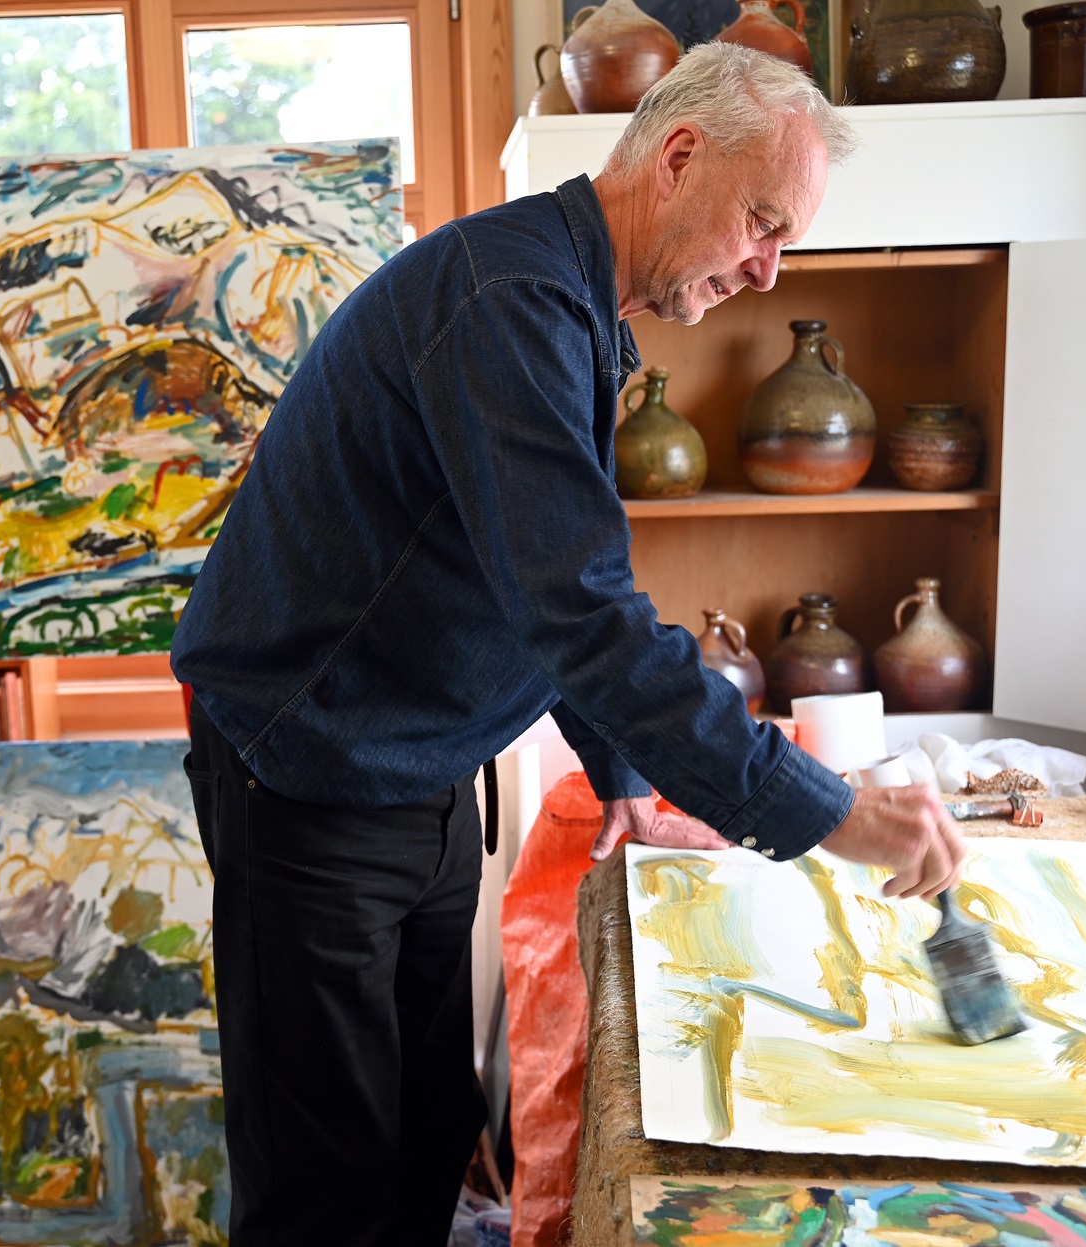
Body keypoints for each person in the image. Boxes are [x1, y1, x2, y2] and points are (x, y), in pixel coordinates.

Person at [173, 41, 967, 1247]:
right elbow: (582, 611)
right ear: (680, 156)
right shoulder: (515, 298)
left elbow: (536, 572)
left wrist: (623, 765)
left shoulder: (571, 298)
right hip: (309, 767)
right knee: (327, 1182)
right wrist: (827, 808)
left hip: (416, 757)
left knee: (430, 1126)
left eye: (784, 241)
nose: (765, 269)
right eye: (762, 222)